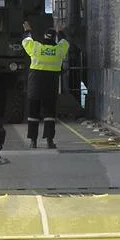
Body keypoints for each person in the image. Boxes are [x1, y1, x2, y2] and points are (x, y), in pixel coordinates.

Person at [21, 21, 70, 149]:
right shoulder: (59, 50)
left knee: (33, 114)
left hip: (35, 87)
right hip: (50, 87)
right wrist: (61, 31)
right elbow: (65, 42)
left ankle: (33, 141)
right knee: (49, 115)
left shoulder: (37, 48)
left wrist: (27, 30)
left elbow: (26, 41)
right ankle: (49, 140)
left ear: (44, 37)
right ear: (55, 38)